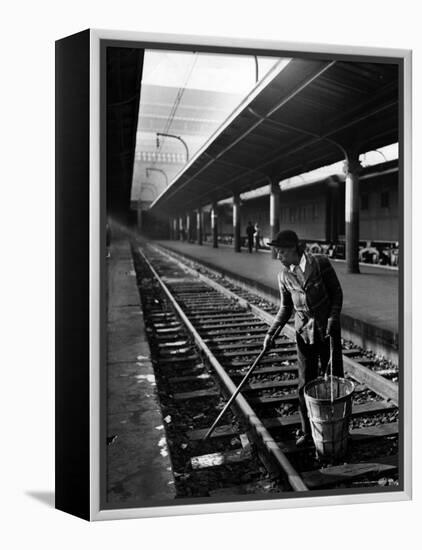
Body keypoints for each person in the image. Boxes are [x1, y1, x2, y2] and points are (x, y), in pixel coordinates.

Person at [263, 229, 344, 447]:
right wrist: (271, 332)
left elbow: (337, 293)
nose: (277, 256)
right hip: (304, 333)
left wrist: (333, 318)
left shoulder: (320, 263)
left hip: (327, 330)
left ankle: (338, 429)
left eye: (280, 252)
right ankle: (308, 432)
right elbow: (286, 308)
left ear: (292, 250)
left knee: (334, 380)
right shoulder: (283, 276)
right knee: (304, 384)